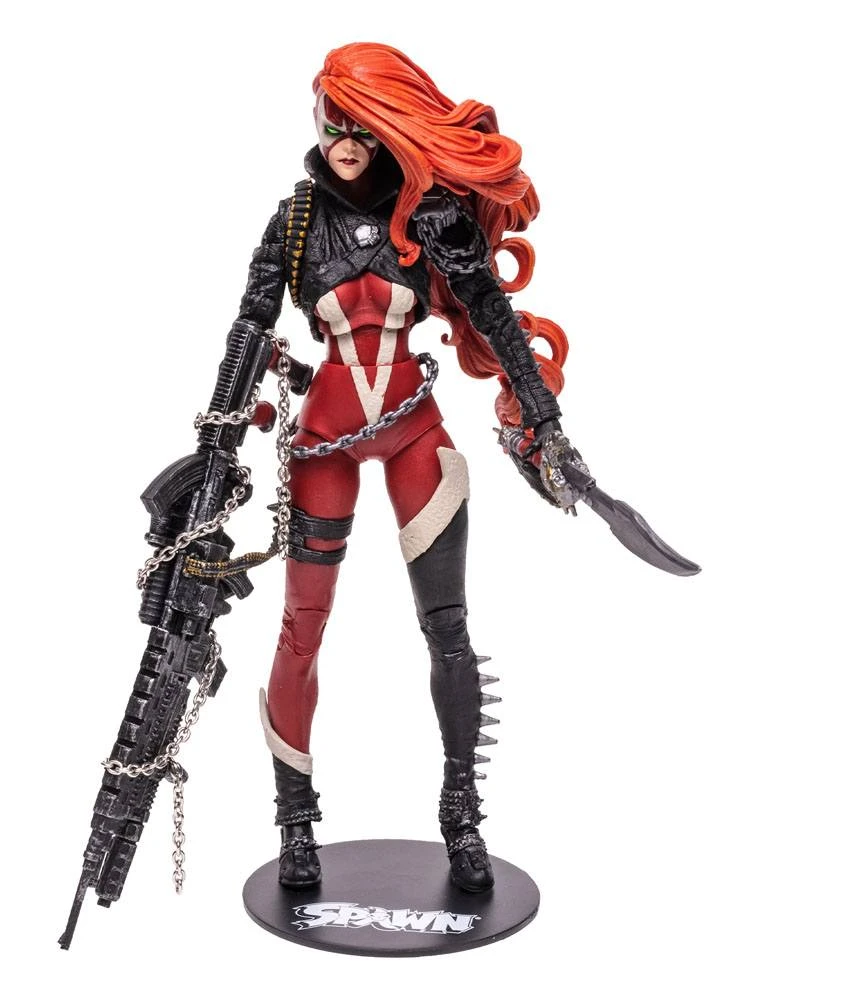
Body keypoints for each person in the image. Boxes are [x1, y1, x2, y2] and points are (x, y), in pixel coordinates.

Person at [237, 42, 582, 894]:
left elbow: (492, 312)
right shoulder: (293, 222)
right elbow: (249, 328)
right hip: (322, 436)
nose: (347, 143)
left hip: (412, 432)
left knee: (448, 628)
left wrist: (542, 414)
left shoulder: (427, 215)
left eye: (361, 125)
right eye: (333, 124)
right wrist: (215, 436)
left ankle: (462, 815)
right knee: (301, 629)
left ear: (386, 126)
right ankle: (295, 823)